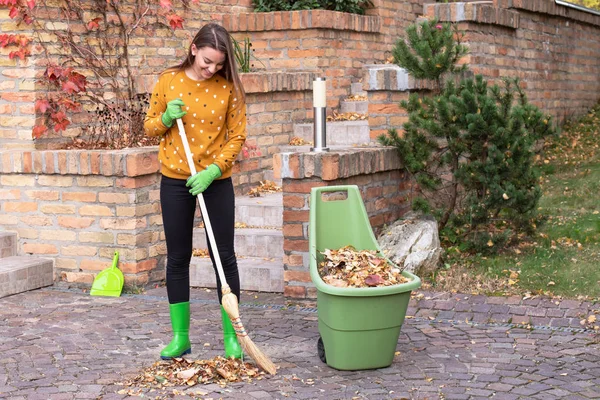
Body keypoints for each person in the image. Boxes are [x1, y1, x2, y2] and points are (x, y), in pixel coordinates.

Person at [143, 23, 247, 360]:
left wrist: (214, 170)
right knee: (177, 258)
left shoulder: (228, 88)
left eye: (218, 63)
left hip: (214, 182)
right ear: (193, 49)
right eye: (206, 61)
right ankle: (180, 337)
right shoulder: (169, 81)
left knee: (223, 257)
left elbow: (236, 136)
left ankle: (232, 338)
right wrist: (165, 119)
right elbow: (149, 127)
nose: (211, 69)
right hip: (175, 179)